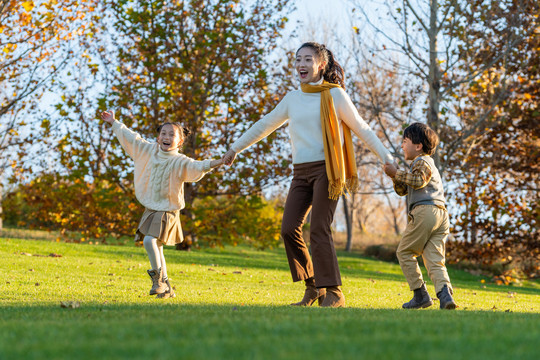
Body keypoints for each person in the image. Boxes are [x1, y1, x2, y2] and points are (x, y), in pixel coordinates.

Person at [222, 42, 394, 308]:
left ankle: (334, 292)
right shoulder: (292, 99)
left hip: (328, 170)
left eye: (307, 59)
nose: (301, 64)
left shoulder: (335, 96)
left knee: (319, 230)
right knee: (289, 228)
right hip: (300, 173)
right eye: (298, 59)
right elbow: (265, 124)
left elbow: (362, 128)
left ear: (321, 65)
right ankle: (313, 286)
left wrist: (387, 157)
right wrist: (235, 148)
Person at [99, 110, 222, 299]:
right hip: (151, 208)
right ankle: (167, 289)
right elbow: (131, 138)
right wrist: (114, 122)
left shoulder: (180, 161)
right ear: (158, 138)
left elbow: (198, 166)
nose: (166, 137)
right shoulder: (148, 151)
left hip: (168, 210)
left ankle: (158, 281)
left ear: (179, 142)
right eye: (163, 133)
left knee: (149, 241)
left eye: (172, 134)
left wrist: (218, 162)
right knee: (158, 248)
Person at [383, 122, 457, 310]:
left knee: (404, 252)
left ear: (418, 146)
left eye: (404, 141)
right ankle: (445, 294)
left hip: (425, 212)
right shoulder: (421, 164)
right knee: (434, 260)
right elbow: (403, 190)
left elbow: (417, 181)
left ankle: (420, 294)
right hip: (440, 215)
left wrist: (397, 172)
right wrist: (395, 175)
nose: (401, 145)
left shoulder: (422, 162)